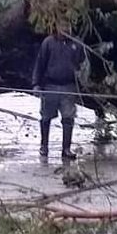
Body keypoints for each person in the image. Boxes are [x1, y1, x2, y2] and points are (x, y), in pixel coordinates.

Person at [33, 27, 84, 162]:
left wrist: (82, 85)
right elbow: (40, 64)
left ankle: (66, 149)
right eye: (62, 26)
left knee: (68, 118)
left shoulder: (76, 44)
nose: (65, 29)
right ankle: (44, 146)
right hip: (50, 85)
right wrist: (36, 84)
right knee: (45, 117)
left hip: (68, 86)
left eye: (67, 26)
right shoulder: (48, 43)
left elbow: (81, 65)